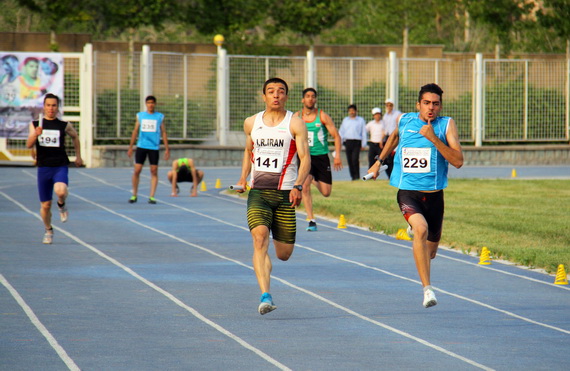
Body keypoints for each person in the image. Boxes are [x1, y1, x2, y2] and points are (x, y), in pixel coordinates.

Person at [367, 83, 463, 308]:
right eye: (427, 103)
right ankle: (428, 290)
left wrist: (433, 139)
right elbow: (393, 138)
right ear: (418, 104)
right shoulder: (405, 120)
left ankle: (415, 228)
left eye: (436, 104)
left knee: (430, 254)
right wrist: (378, 163)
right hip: (408, 192)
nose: (431, 108)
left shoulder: (446, 125)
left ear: (440, 106)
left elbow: (458, 161)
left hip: (435, 197)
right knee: (421, 230)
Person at [235, 77, 310, 315]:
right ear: (264, 96)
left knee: (283, 254)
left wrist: (298, 185)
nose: (275, 95)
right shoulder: (251, 123)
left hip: (286, 194)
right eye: (270, 91)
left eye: (280, 91)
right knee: (259, 239)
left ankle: (268, 281)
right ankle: (265, 295)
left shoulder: (295, 123)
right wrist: (242, 178)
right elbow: (249, 151)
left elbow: (305, 158)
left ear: (286, 96)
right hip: (258, 193)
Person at [26, 93, 83, 244]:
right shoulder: (35, 124)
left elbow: (75, 137)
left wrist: (78, 156)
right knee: (45, 205)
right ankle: (48, 229)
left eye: (54, 105)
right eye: (48, 105)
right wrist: (35, 135)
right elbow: (29, 144)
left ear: (58, 108)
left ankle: (61, 204)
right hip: (44, 168)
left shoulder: (64, 125)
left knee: (61, 191)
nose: (51, 108)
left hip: (60, 166)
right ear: (44, 107)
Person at [293, 88, 342, 232]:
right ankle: (311, 220)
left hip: (321, 156)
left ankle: (312, 178)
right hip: (304, 156)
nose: (310, 99)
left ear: (315, 99)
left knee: (326, 192)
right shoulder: (297, 117)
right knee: (305, 185)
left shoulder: (322, 116)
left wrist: (337, 155)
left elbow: (337, 136)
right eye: (307, 96)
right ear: (303, 100)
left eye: (313, 96)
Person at [127, 95, 170, 204]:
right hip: (141, 146)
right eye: (148, 103)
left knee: (154, 170)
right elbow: (135, 131)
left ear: (155, 104)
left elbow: (164, 132)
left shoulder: (159, 117)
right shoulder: (140, 116)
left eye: (152, 103)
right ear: (146, 104)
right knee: (137, 170)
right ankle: (134, 195)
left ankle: (152, 196)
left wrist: (167, 148)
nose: (150, 105)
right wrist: (131, 147)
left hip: (154, 147)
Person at [339, 104, 367, 180]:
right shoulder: (345, 120)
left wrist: (364, 143)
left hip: (357, 141)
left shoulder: (360, 120)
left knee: (355, 159)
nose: (351, 112)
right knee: (349, 160)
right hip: (348, 141)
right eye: (350, 111)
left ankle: (357, 176)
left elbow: (363, 132)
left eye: (353, 110)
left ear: (356, 111)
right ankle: (353, 177)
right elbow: (341, 132)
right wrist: (340, 143)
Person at [382, 98, 402, 178]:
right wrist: (381, 139)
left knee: (395, 156)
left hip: (396, 137)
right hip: (388, 137)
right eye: (387, 105)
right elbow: (385, 129)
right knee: (387, 157)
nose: (388, 106)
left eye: (390, 105)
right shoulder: (385, 116)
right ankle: (390, 176)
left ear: (393, 105)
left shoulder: (397, 114)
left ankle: (396, 175)